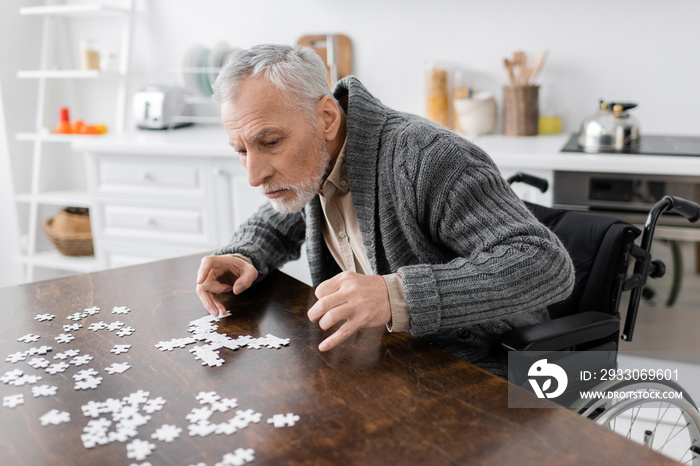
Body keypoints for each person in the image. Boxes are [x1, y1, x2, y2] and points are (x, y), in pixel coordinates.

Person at [196, 44, 575, 377]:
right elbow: (279, 217)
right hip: (389, 358)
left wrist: (396, 294)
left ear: (326, 118)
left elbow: (545, 262)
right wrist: (242, 254)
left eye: (271, 142)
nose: (254, 175)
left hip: (483, 362)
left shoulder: (428, 158)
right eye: (242, 150)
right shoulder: (309, 164)